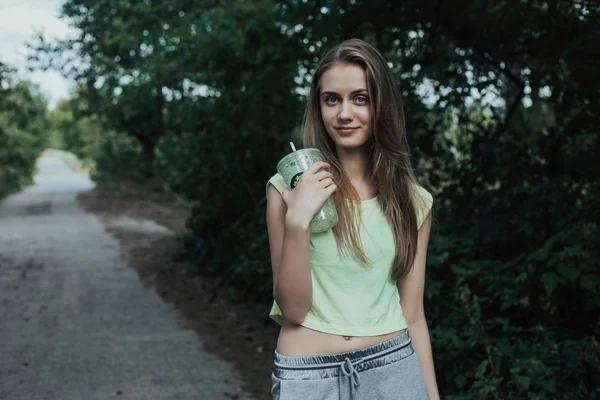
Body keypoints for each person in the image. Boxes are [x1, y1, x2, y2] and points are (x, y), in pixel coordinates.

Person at [265, 38, 440, 400]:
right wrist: (298, 219)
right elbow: (293, 310)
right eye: (332, 99)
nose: (345, 113)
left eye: (360, 98)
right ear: (320, 106)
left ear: (381, 105)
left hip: (394, 371)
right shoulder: (285, 189)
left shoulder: (414, 201)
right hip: (310, 376)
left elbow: (413, 315)